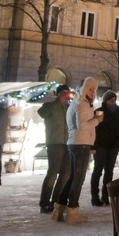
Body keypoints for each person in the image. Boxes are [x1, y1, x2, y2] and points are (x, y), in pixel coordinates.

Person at [59, 77, 103, 224]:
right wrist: (98, 120)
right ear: (83, 89)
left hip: (76, 143)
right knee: (78, 179)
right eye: (90, 89)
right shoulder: (82, 105)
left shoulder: (77, 103)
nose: (92, 92)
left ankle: (59, 208)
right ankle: (72, 211)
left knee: (73, 177)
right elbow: (82, 126)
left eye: (94, 89)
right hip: (81, 144)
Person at [38, 84, 72, 214]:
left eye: (67, 93)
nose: (66, 95)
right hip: (54, 143)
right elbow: (41, 113)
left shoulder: (69, 108)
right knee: (53, 173)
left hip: (68, 143)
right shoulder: (51, 106)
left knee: (65, 174)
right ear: (58, 94)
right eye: (63, 92)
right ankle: (44, 202)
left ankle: (57, 201)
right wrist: (57, 101)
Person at [90, 90, 119, 206]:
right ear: (106, 100)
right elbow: (95, 129)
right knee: (98, 170)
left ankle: (106, 196)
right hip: (101, 144)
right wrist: (94, 145)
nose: (113, 102)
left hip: (114, 144)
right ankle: (95, 197)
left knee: (109, 171)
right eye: (110, 99)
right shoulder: (100, 111)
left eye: (114, 99)